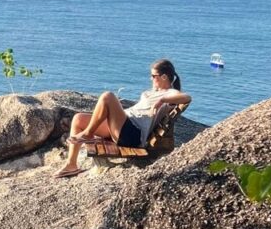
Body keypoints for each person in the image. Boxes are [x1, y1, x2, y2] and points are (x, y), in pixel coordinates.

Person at [54, 58, 191, 178]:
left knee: (108, 96)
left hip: (132, 135)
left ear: (164, 77)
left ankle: (88, 134)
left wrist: (162, 100)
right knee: (78, 119)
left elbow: (187, 98)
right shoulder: (153, 92)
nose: (151, 78)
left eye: (153, 75)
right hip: (123, 126)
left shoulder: (171, 93)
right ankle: (71, 165)